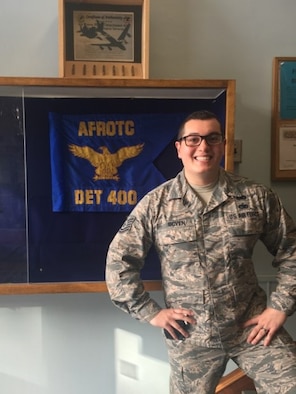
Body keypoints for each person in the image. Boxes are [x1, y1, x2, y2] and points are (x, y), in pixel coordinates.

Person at [105, 110, 296, 394]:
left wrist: (280, 307)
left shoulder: (256, 197)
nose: (203, 147)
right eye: (193, 139)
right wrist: (151, 313)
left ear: (223, 144)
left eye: (212, 138)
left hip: (251, 327)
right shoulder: (156, 205)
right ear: (179, 147)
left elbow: (291, 250)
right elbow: (119, 264)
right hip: (192, 335)